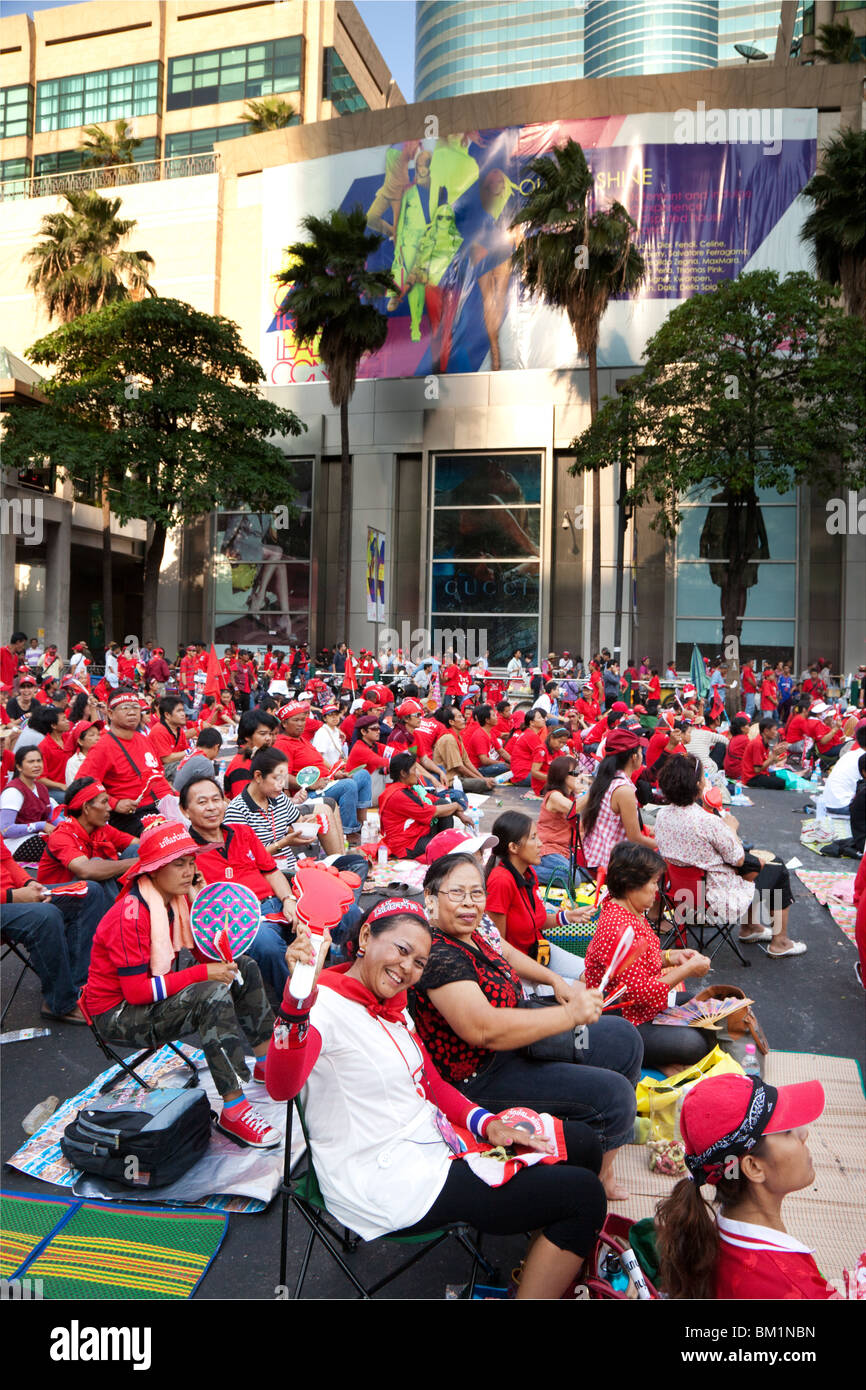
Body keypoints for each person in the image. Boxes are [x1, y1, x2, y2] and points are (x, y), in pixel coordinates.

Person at [266, 896, 607, 1299]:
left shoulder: (393, 1005)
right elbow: (280, 1086)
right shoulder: (324, 1006)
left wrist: (487, 1123)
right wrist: (296, 1002)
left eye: (419, 963)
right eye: (401, 950)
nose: (407, 969)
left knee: (582, 1143)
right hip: (383, 1174)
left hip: (431, 1141)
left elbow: (430, 1081)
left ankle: (544, 1260)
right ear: (364, 937)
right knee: (584, 1197)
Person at [411, 853, 641, 1201]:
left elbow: (506, 952)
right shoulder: (438, 956)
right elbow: (483, 1029)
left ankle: (603, 1156)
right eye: (456, 893)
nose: (469, 903)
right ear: (431, 897)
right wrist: (569, 1015)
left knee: (624, 1038)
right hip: (483, 1073)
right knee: (615, 1096)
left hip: (521, 1031)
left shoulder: (476, 930)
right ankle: (592, 1181)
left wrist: (554, 980)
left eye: (476, 893)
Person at [84, 820, 281, 1148]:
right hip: (117, 1015)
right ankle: (233, 1109)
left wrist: (200, 901)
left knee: (242, 966)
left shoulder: (175, 900)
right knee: (211, 994)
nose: (189, 870)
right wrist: (205, 975)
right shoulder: (131, 915)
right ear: (154, 869)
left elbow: (210, 955)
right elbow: (137, 992)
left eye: (191, 862)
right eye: (179, 864)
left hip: (147, 1000)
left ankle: (265, 1064)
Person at [655, 1072, 837, 1299]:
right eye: (788, 1131)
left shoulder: (712, 1236)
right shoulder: (794, 1287)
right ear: (754, 1168)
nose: (804, 1133)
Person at [584, 842, 716, 1070]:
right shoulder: (620, 928)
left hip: (642, 1009)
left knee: (709, 1007)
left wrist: (673, 957)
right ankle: (646, 1060)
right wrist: (687, 969)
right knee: (695, 1045)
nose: (657, 890)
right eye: (654, 883)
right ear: (630, 885)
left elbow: (642, 959)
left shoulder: (626, 909)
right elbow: (640, 994)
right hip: (623, 1022)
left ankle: (660, 1058)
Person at [653, 754, 802, 956]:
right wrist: (731, 827)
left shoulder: (662, 815)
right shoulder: (707, 822)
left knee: (753, 865)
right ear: (697, 785)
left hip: (679, 892)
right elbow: (738, 858)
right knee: (777, 868)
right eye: (703, 777)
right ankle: (780, 941)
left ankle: (751, 928)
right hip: (714, 896)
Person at [181, 775, 299, 998]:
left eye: (216, 800)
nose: (212, 807)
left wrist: (288, 900)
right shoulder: (185, 853)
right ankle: (297, 1005)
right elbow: (196, 907)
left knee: (331, 914)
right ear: (185, 810)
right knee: (268, 944)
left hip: (274, 905)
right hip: (235, 920)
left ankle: (338, 984)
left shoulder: (242, 832)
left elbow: (272, 871)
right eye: (202, 802)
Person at [1, 832, 105, 1024]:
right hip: (7, 899)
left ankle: (80, 986)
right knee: (45, 915)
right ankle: (61, 1003)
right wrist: (12, 896)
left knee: (89, 891)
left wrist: (30, 883)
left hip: (14, 895)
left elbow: (6, 860)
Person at [484, 811, 590, 982]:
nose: (540, 844)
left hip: (538, 950)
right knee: (583, 992)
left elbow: (535, 920)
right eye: (533, 838)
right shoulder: (501, 881)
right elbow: (499, 949)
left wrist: (568, 917)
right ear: (513, 847)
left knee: (593, 977)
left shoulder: (528, 872)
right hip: (518, 969)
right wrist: (552, 979)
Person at [78, 691, 175, 834]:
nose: (132, 712)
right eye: (125, 708)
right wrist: (114, 803)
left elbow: (158, 773)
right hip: (133, 815)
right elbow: (82, 785)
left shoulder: (143, 739)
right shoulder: (103, 747)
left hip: (164, 805)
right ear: (110, 714)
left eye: (136, 707)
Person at [37, 776, 138, 907]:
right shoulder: (62, 835)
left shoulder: (101, 828)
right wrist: (138, 862)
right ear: (86, 808)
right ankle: (119, 918)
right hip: (55, 900)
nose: (109, 808)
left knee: (134, 851)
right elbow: (85, 870)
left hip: (88, 895)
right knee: (97, 867)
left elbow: (137, 843)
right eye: (104, 802)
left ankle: (145, 910)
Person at [581, 729, 656, 873]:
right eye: (641, 752)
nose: (642, 756)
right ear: (633, 757)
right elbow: (635, 838)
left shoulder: (607, 779)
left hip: (595, 856)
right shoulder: (624, 790)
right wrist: (664, 846)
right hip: (610, 863)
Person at [378, 753, 470, 859]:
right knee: (449, 845)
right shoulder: (398, 795)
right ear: (403, 773)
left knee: (443, 803)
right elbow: (431, 812)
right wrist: (456, 805)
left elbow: (435, 800)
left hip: (417, 833)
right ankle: (443, 845)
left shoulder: (408, 788)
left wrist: (459, 813)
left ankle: (443, 842)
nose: (417, 774)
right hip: (405, 844)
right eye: (414, 770)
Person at [535, 754, 591, 886]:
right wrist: (593, 792)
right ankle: (527, 871)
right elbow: (573, 809)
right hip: (548, 849)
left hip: (564, 850)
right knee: (573, 879)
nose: (579, 777)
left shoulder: (570, 795)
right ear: (562, 775)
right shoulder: (554, 796)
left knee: (589, 874)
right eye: (575, 773)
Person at [431, 706, 495, 794]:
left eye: (462, 716)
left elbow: (467, 762)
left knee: (488, 782)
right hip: (450, 780)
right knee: (485, 784)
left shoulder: (457, 737)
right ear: (451, 722)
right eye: (459, 717)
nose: (463, 719)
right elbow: (459, 767)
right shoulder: (448, 738)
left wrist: (482, 777)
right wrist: (482, 779)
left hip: (459, 777)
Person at [0, 745, 52, 847]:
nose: (36, 765)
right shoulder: (13, 791)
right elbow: (5, 829)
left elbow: (52, 816)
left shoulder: (41, 788)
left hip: (35, 837)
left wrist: (67, 827)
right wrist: (39, 825)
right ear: (19, 767)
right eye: (31, 762)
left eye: (39, 761)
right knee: (56, 847)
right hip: (14, 842)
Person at [741, 719, 788, 790]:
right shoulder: (758, 743)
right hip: (752, 778)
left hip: (761, 773)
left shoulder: (764, 742)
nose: (777, 732)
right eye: (775, 730)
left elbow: (765, 762)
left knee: (784, 774)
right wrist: (773, 755)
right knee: (781, 783)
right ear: (766, 731)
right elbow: (757, 769)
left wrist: (777, 758)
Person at [148, 695, 190, 775]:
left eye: (183, 710)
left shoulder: (178, 729)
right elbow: (166, 759)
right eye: (179, 711)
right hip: (158, 771)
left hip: (172, 766)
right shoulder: (159, 730)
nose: (183, 714)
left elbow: (185, 750)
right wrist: (191, 751)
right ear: (167, 715)